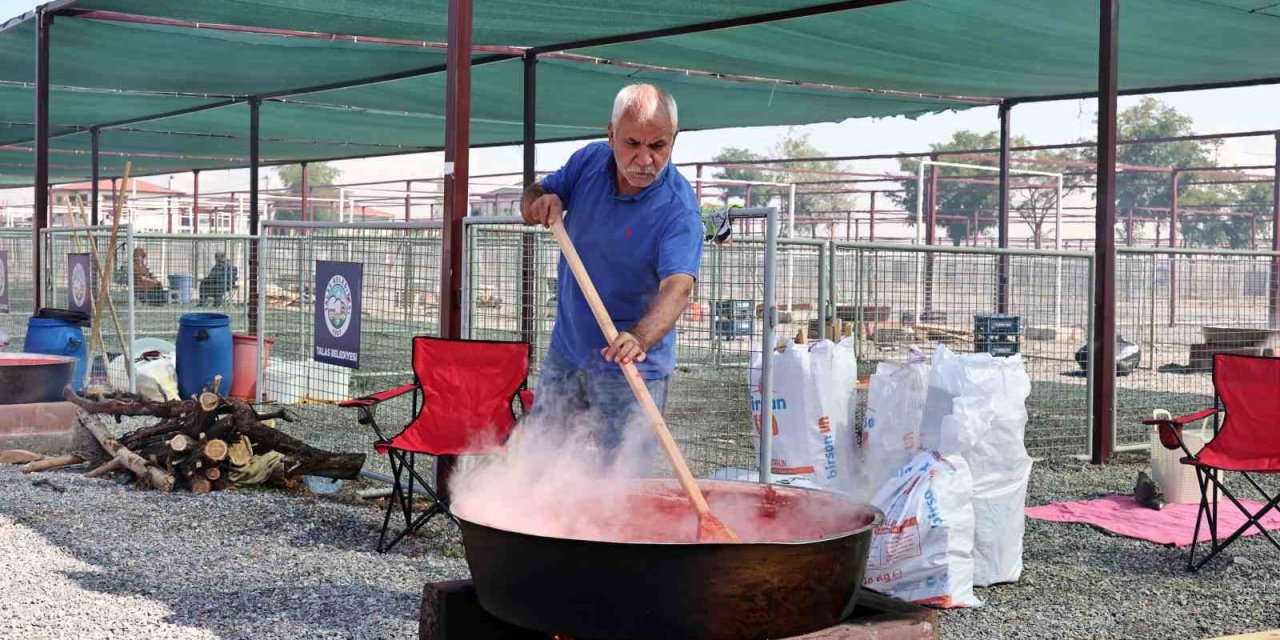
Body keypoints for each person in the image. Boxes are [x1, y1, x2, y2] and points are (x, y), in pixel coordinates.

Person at [521, 83, 703, 466]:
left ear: (674, 140)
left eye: (658, 146)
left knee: (624, 478)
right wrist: (540, 201)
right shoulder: (588, 161)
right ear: (611, 135)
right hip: (568, 352)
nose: (644, 159)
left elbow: (678, 287)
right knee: (538, 461)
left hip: (632, 367)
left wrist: (639, 337)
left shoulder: (678, 210)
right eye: (632, 143)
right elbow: (533, 196)